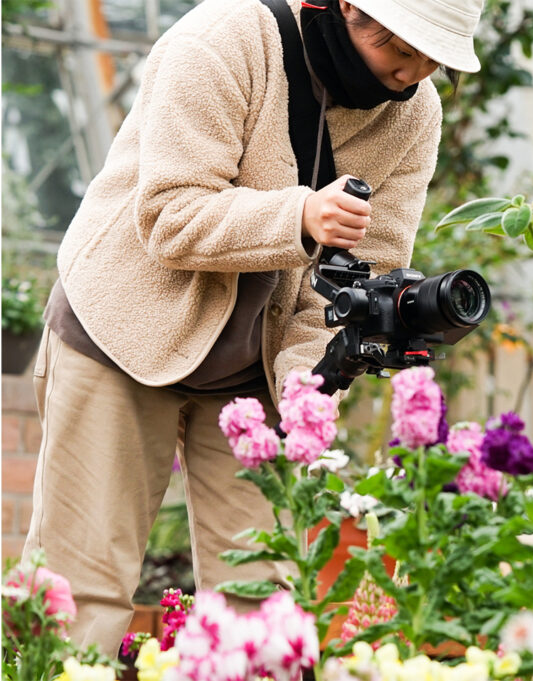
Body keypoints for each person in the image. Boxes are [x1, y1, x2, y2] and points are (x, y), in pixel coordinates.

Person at [22, 0, 483, 657]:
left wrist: (305, 394)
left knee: (262, 602)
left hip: (254, 368)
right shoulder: (221, 41)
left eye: (435, 57)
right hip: (123, 333)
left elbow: (365, 277)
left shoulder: (416, 110)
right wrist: (300, 217)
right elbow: (169, 214)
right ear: (345, 6)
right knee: (82, 588)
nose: (414, 71)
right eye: (400, 46)